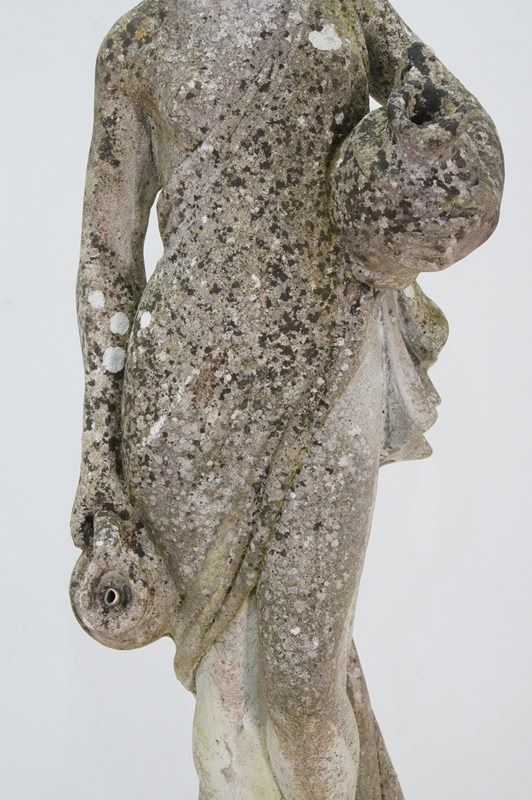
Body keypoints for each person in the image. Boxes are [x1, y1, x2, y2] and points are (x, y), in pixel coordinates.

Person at [70, 2, 502, 798]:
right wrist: (99, 460)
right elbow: (107, 260)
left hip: (331, 354)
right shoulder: (136, 43)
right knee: (227, 686)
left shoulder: (346, 7)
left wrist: (410, 183)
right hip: (186, 394)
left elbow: (455, 137)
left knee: (305, 684)